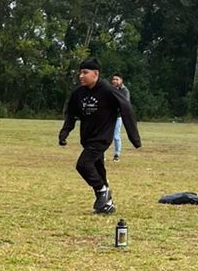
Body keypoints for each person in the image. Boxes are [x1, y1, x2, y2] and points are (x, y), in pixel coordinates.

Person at [58, 58, 141, 213]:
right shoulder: (79, 93)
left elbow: (126, 108)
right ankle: (107, 204)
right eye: (80, 73)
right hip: (87, 138)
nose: (81, 76)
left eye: (85, 72)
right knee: (98, 169)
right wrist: (65, 132)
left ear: (95, 74)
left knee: (83, 165)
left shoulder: (108, 90)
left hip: (102, 138)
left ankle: (102, 191)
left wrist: (134, 138)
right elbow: (71, 113)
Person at [109, 73, 129, 160]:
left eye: (117, 79)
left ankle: (116, 154)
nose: (115, 81)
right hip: (108, 116)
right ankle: (100, 154)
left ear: (121, 80)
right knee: (104, 135)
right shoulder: (109, 89)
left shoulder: (124, 91)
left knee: (116, 136)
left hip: (117, 117)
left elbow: (125, 104)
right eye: (113, 79)